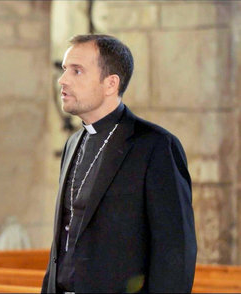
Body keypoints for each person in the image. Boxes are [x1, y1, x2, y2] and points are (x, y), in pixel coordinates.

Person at [42, 34, 197, 293]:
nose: (63, 80)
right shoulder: (72, 144)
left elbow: (175, 252)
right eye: (64, 69)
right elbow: (64, 242)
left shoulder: (155, 146)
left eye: (77, 71)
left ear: (110, 84)